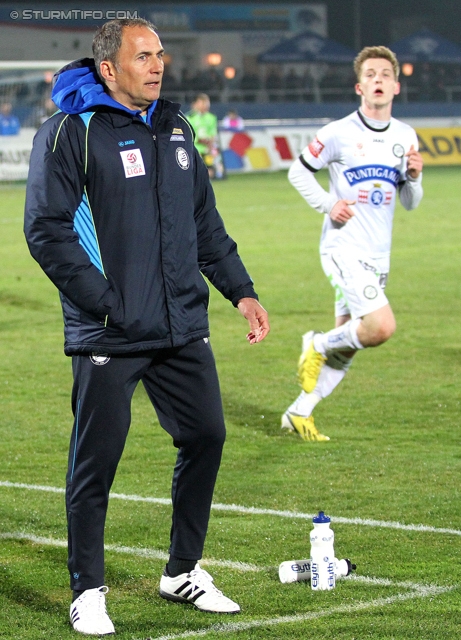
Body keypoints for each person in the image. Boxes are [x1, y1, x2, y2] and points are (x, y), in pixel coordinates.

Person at [24, 18, 269, 636]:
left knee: (206, 436)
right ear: (109, 68)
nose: (158, 65)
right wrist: (105, 305)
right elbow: (46, 231)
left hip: (181, 322)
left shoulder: (177, 128)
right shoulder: (71, 132)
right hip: (110, 330)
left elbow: (204, 224)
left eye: (160, 55)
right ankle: (88, 589)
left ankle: (182, 571)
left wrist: (240, 290)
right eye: (143, 57)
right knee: (96, 462)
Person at [282, 45, 423, 442]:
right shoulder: (338, 133)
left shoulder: (406, 136)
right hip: (343, 248)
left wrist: (412, 178)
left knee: (350, 343)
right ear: (359, 86)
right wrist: (329, 204)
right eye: (370, 75)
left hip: (379, 255)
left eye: (385, 75)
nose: (378, 80)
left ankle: (299, 412)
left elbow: (410, 203)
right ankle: (316, 342)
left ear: (396, 86)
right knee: (380, 327)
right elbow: (298, 171)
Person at [186, 93, 220, 178]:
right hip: (194, 148)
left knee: (210, 171)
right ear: (197, 104)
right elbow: (188, 134)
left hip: (207, 148)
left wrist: (210, 143)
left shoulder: (211, 118)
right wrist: (199, 140)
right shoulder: (190, 117)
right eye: (202, 103)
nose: (205, 106)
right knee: (194, 172)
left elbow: (213, 133)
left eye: (206, 103)